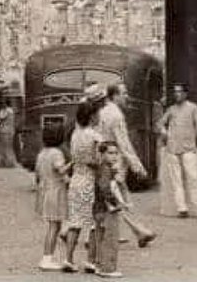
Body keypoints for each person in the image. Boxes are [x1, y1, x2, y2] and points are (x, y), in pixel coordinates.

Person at [97, 83, 154, 247]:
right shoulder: (116, 116)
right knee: (117, 198)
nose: (126, 96)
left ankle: (139, 231)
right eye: (124, 93)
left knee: (114, 197)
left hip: (104, 159)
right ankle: (139, 231)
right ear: (114, 96)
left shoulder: (102, 112)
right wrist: (137, 165)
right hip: (114, 161)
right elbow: (124, 143)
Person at [62, 94, 105, 272]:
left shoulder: (74, 135)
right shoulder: (95, 137)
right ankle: (91, 260)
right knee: (95, 223)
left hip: (75, 181)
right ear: (92, 116)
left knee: (75, 222)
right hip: (90, 181)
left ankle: (69, 259)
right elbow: (98, 161)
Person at [158, 84, 197, 219]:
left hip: (188, 149)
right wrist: (165, 134)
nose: (177, 94)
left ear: (186, 94)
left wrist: (190, 138)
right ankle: (182, 209)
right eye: (175, 92)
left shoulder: (193, 107)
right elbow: (160, 123)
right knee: (176, 181)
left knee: (193, 179)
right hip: (172, 149)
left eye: (180, 92)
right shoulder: (171, 109)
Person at [34, 124, 69, 271]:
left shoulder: (41, 153)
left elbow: (37, 174)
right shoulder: (56, 153)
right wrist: (73, 163)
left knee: (54, 225)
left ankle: (48, 257)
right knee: (54, 226)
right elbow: (61, 169)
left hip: (44, 191)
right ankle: (46, 258)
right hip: (55, 192)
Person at [91, 142, 127, 279]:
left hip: (98, 208)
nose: (114, 156)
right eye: (110, 153)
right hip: (107, 209)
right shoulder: (106, 170)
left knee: (100, 237)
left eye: (116, 153)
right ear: (102, 154)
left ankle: (100, 265)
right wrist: (114, 202)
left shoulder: (101, 168)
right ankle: (108, 268)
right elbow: (105, 188)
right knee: (110, 238)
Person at [0, 98, 17, 168]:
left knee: (3, 147)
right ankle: (10, 162)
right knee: (9, 147)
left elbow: (1, 118)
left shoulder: (6, 111)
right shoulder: (11, 111)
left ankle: (5, 162)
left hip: (4, 131)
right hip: (10, 131)